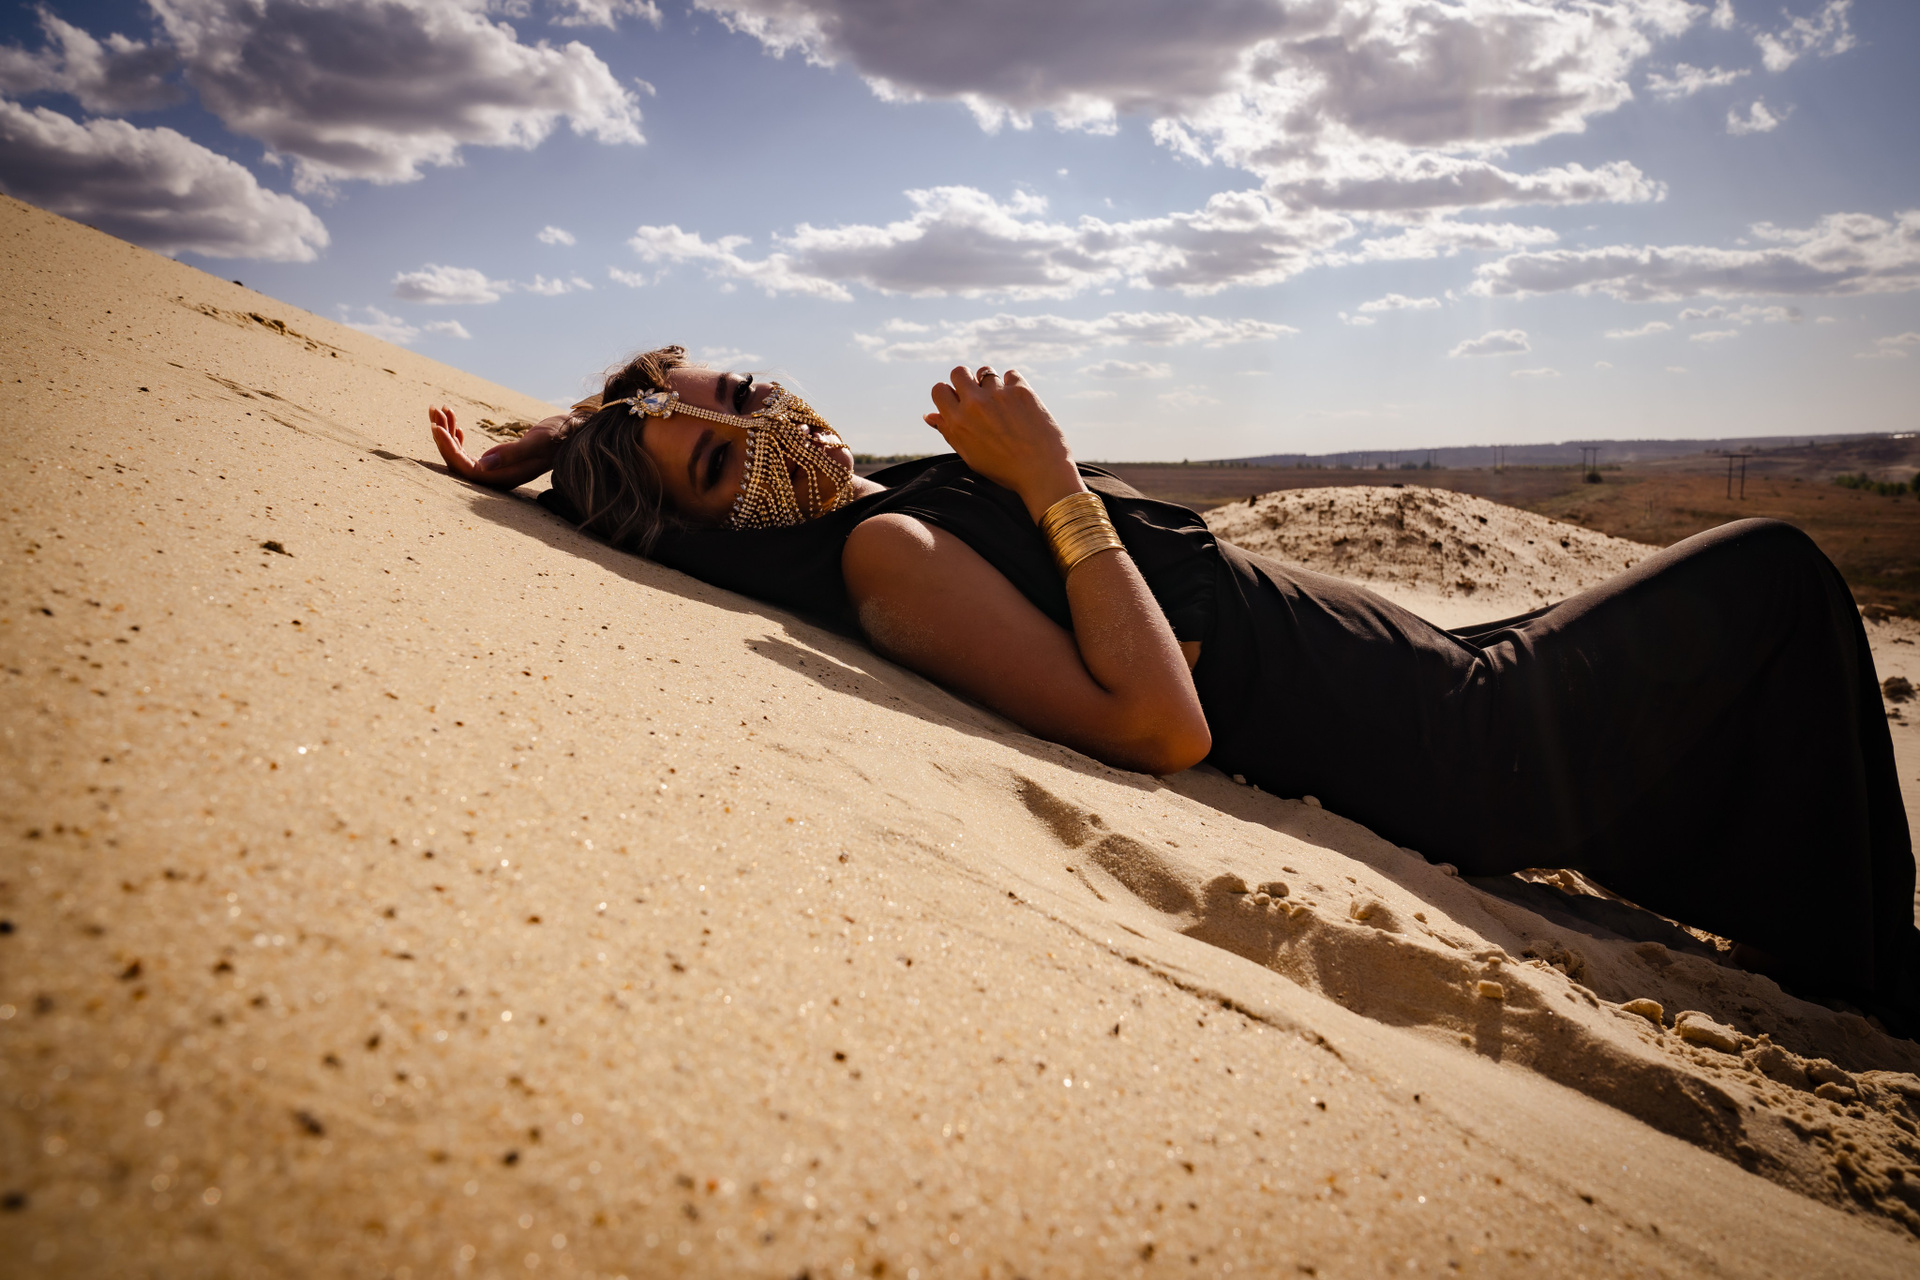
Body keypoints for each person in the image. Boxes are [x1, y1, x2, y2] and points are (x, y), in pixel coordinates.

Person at [431, 345, 1920, 1032]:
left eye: (744, 396)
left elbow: (661, 434)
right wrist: (1051, 478)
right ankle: (1861, 967)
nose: (759, 436)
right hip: (1455, 742)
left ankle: (1842, 931)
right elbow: (1157, 726)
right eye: (716, 460)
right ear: (702, 527)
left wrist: (553, 442)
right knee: (1779, 574)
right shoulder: (880, 552)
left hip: (1447, 678)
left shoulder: (861, 498)